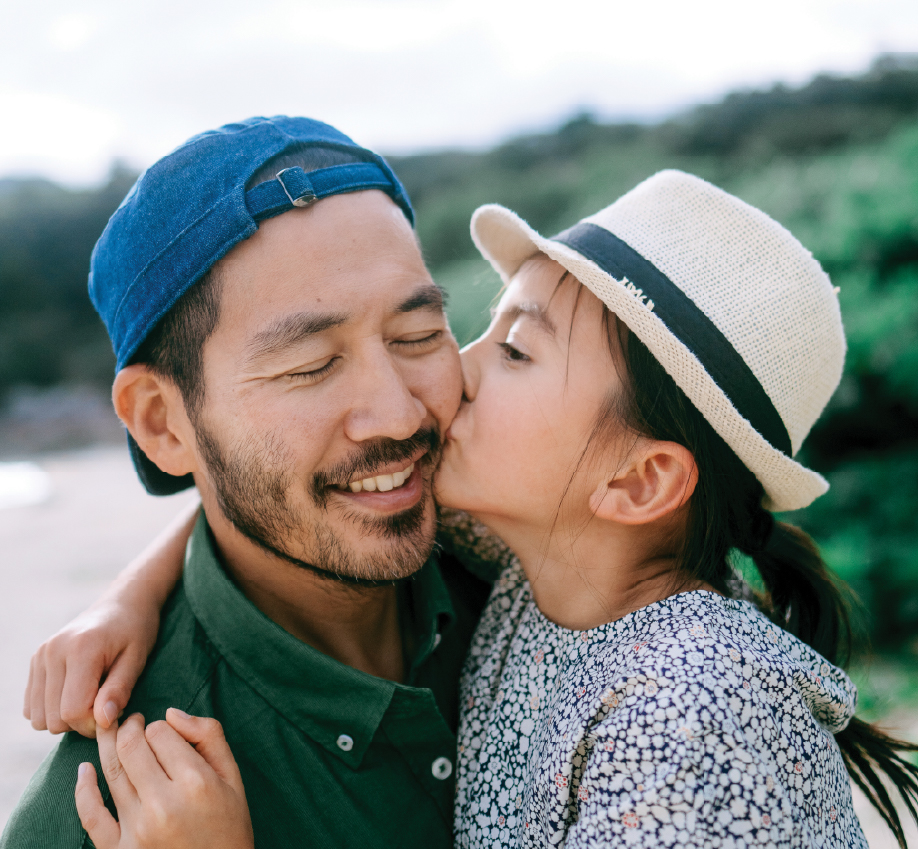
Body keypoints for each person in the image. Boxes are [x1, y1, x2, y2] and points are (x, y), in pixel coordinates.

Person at [24, 171, 918, 847]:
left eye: (518, 350)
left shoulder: (685, 725)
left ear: (640, 484)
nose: (442, 378)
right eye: (478, 326)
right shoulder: (550, 561)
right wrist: (129, 595)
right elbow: (285, 493)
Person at [1, 116, 495, 849]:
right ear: (164, 424)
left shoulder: (530, 555)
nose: (397, 413)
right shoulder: (111, 814)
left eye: (417, 335)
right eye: (309, 365)